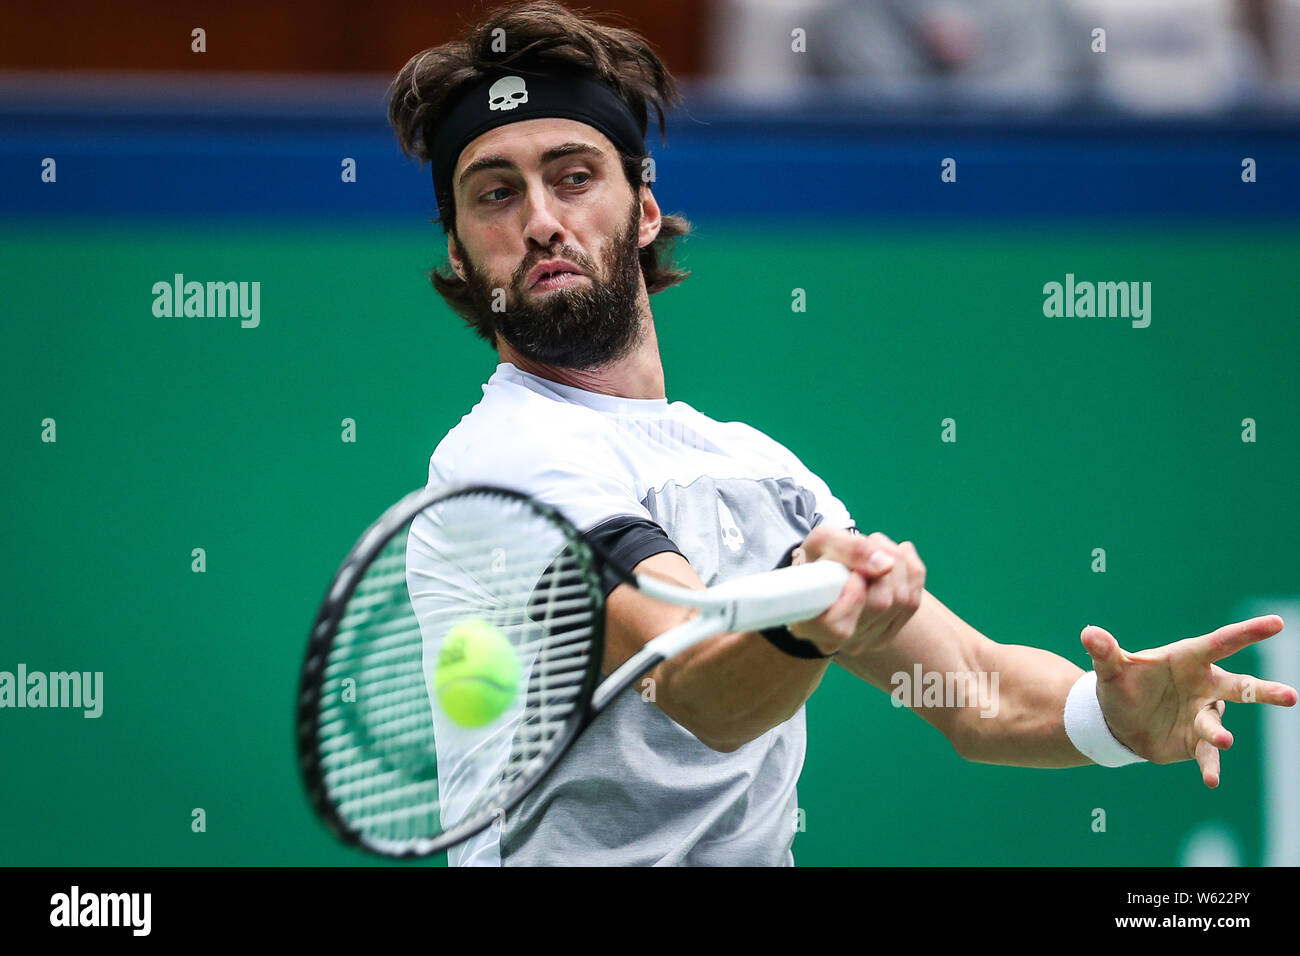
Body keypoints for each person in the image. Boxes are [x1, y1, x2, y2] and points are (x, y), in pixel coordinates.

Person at [389, 0, 1296, 866]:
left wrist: (1109, 721)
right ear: (463, 255)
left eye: (575, 175)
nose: (541, 220)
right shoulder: (497, 463)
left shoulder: (762, 470)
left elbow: (972, 691)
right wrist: (805, 614)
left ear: (646, 210)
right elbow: (699, 684)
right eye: (495, 194)